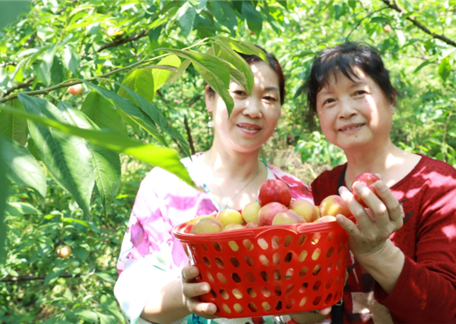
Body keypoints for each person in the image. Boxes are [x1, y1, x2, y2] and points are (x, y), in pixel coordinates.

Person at [114, 49, 327, 324]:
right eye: (239, 93)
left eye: (269, 98)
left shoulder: (297, 197)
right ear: (209, 98)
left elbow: (315, 310)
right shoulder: (166, 184)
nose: (253, 109)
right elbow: (135, 292)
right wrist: (185, 295)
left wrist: (293, 293)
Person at [306, 42, 456, 324]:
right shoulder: (323, 188)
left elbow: (442, 306)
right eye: (329, 100)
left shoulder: (438, 184)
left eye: (359, 93)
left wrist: (378, 253)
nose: (345, 110)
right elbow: (317, 301)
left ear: (391, 99)